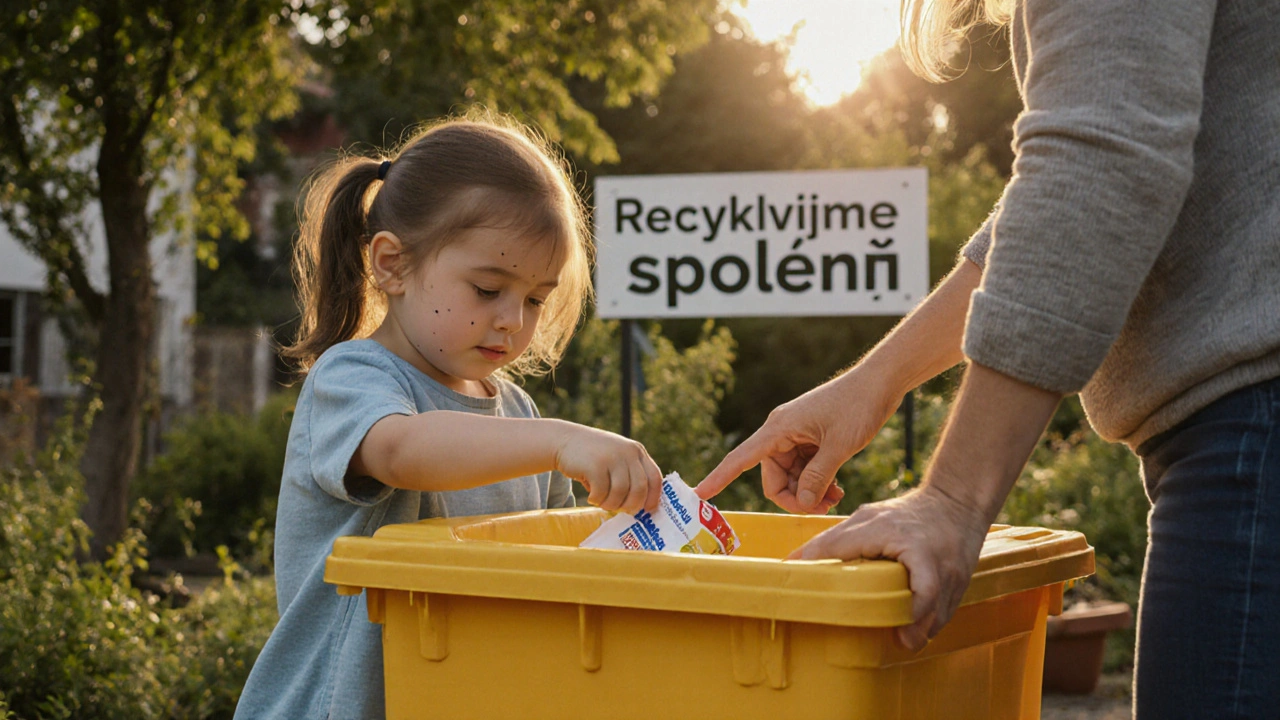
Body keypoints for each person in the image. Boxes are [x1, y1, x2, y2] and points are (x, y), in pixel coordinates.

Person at [696, 0, 1280, 716]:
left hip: (1258, 433)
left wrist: (953, 501)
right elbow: (1061, 198)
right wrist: (874, 382)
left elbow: (1102, 166)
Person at [233, 115, 664, 720]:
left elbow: (555, 578)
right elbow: (403, 452)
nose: (515, 319)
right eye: (489, 289)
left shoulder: (517, 413)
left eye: (536, 298)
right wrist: (564, 441)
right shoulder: (354, 378)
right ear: (392, 264)